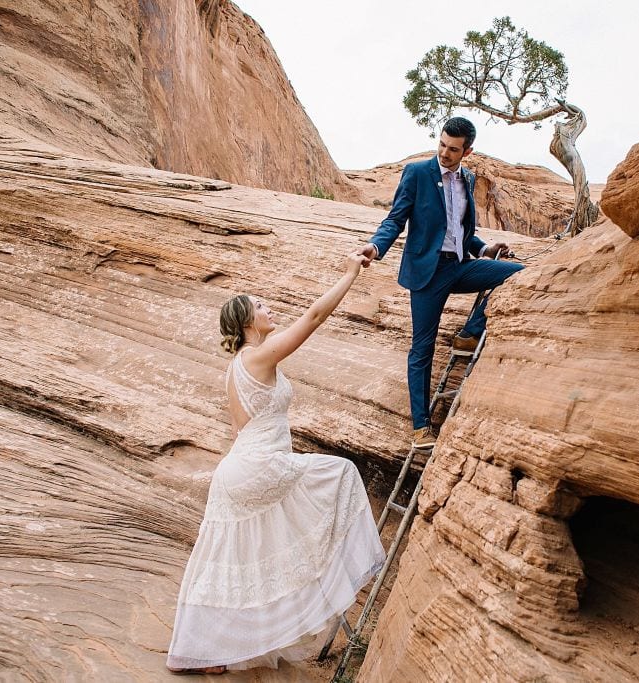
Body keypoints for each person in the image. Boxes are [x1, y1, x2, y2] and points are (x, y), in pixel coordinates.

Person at [166, 252, 385, 674]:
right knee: (342, 473)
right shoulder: (257, 356)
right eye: (261, 306)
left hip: (238, 470)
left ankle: (197, 652)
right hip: (260, 466)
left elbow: (239, 430)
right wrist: (349, 274)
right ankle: (336, 578)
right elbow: (316, 316)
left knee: (227, 564)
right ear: (248, 321)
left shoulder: (236, 368)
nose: (269, 310)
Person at [357, 117, 524, 449]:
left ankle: (469, 333)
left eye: (453, 149)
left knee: (516, 272)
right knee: (422, 349)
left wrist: (485, 249)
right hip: (426, 275)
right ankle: (421, 427)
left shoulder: (468, 179)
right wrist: (376, 246)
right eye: (442, 145)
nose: (445, 153)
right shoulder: (418, 173)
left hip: (459, 267)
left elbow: (463, 230)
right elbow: (396, 218)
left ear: (467, 151)